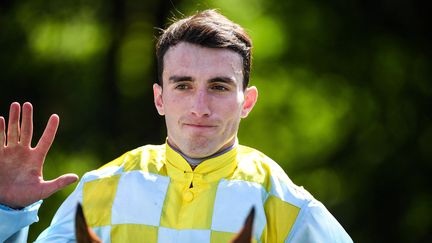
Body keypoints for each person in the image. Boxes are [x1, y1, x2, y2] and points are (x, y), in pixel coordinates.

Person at [0, 9, 353, 242]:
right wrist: (9, 213)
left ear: (246, 101)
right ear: (159, 98)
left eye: (218, 86)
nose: (199, 107)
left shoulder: (286, 204)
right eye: (183, 85)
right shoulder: (100, 190)